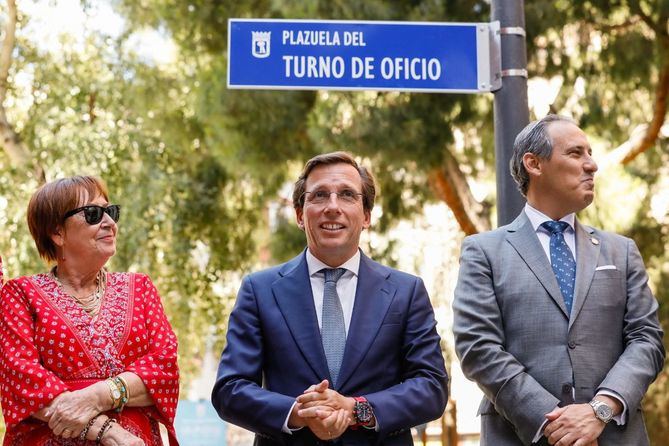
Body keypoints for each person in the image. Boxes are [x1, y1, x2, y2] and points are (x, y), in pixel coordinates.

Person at [453, 115, 665, 446]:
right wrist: (555, 423)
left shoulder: (621, 251)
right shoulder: (484, 251)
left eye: (590, 153)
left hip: (613, 436)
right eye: (576, 153)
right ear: (534, 164)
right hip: (520, 437)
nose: (592, 165)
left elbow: (647, 339)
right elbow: (478, 348)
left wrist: (598, 411)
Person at [211, 151, 448, 445]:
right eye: (320, 195)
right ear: (300, 214)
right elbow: (229, 390)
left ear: (366, 216)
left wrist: (356, 410)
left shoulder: (406, 291)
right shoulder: (259, 290)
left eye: (347, 195)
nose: (332, 207)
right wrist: (296, 413)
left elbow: (431, 387)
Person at [0, 176, 180, 445]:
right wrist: (106, 430)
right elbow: (22, 382)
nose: (109, 222)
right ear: (57, 232)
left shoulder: (140, 287)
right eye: (94, 214)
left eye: (112, 212)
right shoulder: (20, 295)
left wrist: (97, 396)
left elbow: (164, 370)